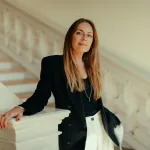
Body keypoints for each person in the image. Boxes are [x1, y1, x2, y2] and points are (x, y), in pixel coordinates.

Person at [0, 18, 123, 150]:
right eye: (79, 33)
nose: (84, 38)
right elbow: (40, 97)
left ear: (93, 41)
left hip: (100, 128)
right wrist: (22, 108)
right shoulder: (54, 64)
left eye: (89, 35)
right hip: (76, 133)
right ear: (70, 36)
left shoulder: (92, 66)